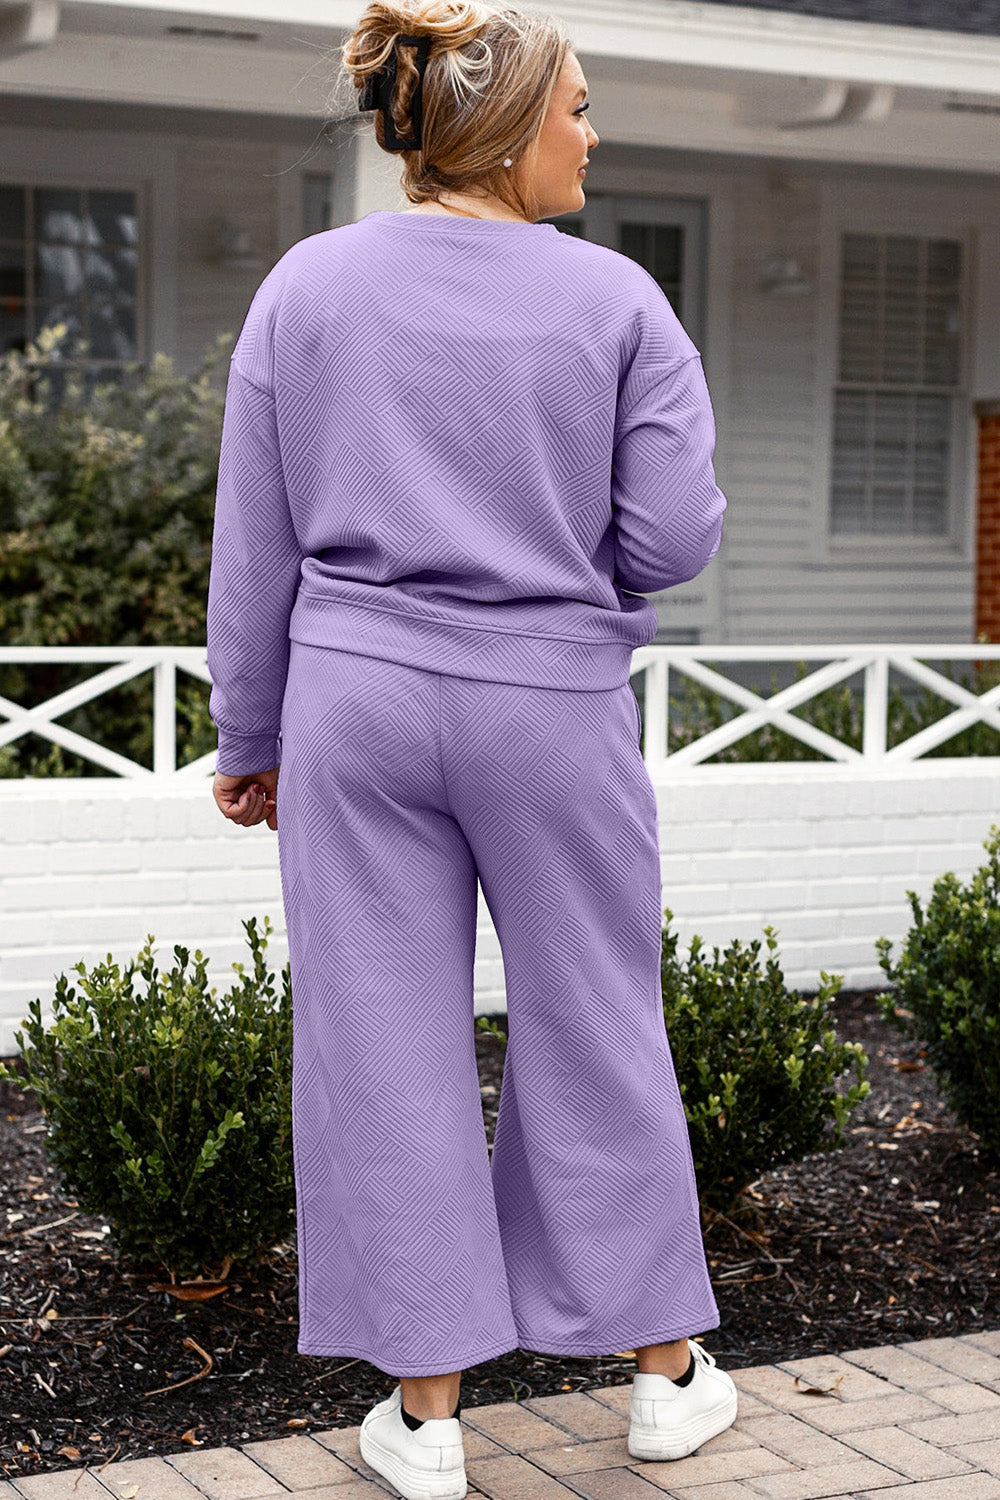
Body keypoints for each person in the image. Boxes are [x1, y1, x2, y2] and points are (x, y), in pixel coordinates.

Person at [206, 2, 738, 1496]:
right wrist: (573, 588)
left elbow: (256, 542)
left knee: (381, 1043)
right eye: (579, 106)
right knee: (595, 1017)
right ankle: (664, 1378)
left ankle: (428, 1423)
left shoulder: (309, 286)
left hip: (355, 702)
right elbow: (674, 538)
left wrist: (252, 731)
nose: (592, 130)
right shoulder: (620, 303)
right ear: (507, 132)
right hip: (549, 707)